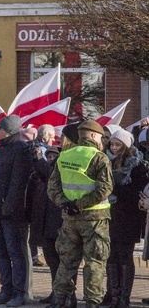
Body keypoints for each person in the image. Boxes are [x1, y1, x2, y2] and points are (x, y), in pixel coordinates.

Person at [47, 120, 113, 308]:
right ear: (93, 136)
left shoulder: (64, 156)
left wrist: (66, 205)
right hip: (95, 220)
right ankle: (92, 303)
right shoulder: (99, 158)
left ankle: (59, 300)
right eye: (101, 137)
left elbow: (52, 188)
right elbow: (105, 189)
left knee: (67, 262)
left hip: (69, 220)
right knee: (94, 262)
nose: (102, 141)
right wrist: (80, 205)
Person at [0, 115, 31, 307]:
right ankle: (6, 290)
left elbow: (18, 182)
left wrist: (9, 205)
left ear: (10, 131)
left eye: (1, 128)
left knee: (15, 252)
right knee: (1, 251)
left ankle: (19, 293)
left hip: (10, 212)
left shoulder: (20, 150)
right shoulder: (1, 149)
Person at [104, 128, 149, 307]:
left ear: (126, 146)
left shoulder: (137, 165)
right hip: (109, 215)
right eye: (112, 144)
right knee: (111, 256)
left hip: (129, 217)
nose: (114, 148)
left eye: (117, 144)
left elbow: (137, 192)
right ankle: (114, 296)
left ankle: (124, 297)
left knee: (125, 255)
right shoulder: (106, 162)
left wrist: (115, 190)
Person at [29, 145, 67, 305]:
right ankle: (54, 292)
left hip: (56, 222)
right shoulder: (42, 175)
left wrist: (40, 159)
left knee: (59, 261)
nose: (50, 159)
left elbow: (49, 174)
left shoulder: (58, 170)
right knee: (51, 261)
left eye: (53, 157)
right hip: (44, 222)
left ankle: (62, 295)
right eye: (48, 156)